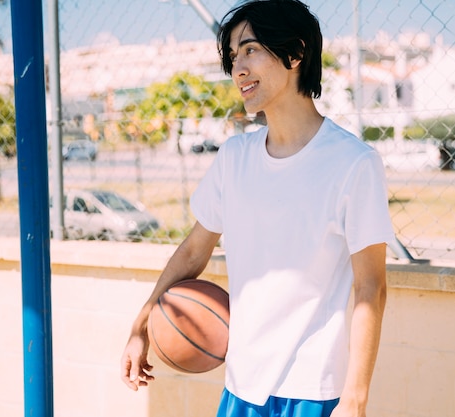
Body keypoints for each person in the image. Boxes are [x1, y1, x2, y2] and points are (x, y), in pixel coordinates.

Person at [120, 1, 395, 416]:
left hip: (313, 391)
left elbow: (371, 287)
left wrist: (355, 397)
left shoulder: (354, 163)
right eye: (233, 57)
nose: (238, 69)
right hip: (242, 385)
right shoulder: (235, 158)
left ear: (296, 52)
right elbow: (194, 251)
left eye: (250, 50)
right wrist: (140, 325)